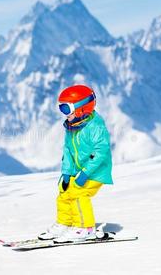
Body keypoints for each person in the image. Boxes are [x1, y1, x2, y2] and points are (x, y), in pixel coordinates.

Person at [38, 84, 113, 243]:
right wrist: (66, 173)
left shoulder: (95, 126)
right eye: (61, 108)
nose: (63, 114)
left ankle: (85, 228)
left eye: (66, 109)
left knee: (79, 193)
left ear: (81, 108)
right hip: (78, 170)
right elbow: (68, 151)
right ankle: (66, 223)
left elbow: (101, 152)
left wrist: (86, 172)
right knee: (64, 192)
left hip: (96, 171)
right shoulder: (72, 127)